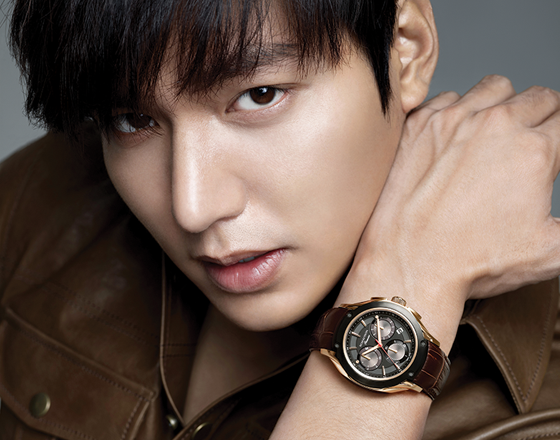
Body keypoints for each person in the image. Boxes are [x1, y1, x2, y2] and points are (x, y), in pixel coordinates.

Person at [1, 0, 560, 438]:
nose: (192, 207)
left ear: (405, 48)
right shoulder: (36, 200)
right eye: (133, 120)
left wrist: (411, 276)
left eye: (259, 95)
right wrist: (407, 280)